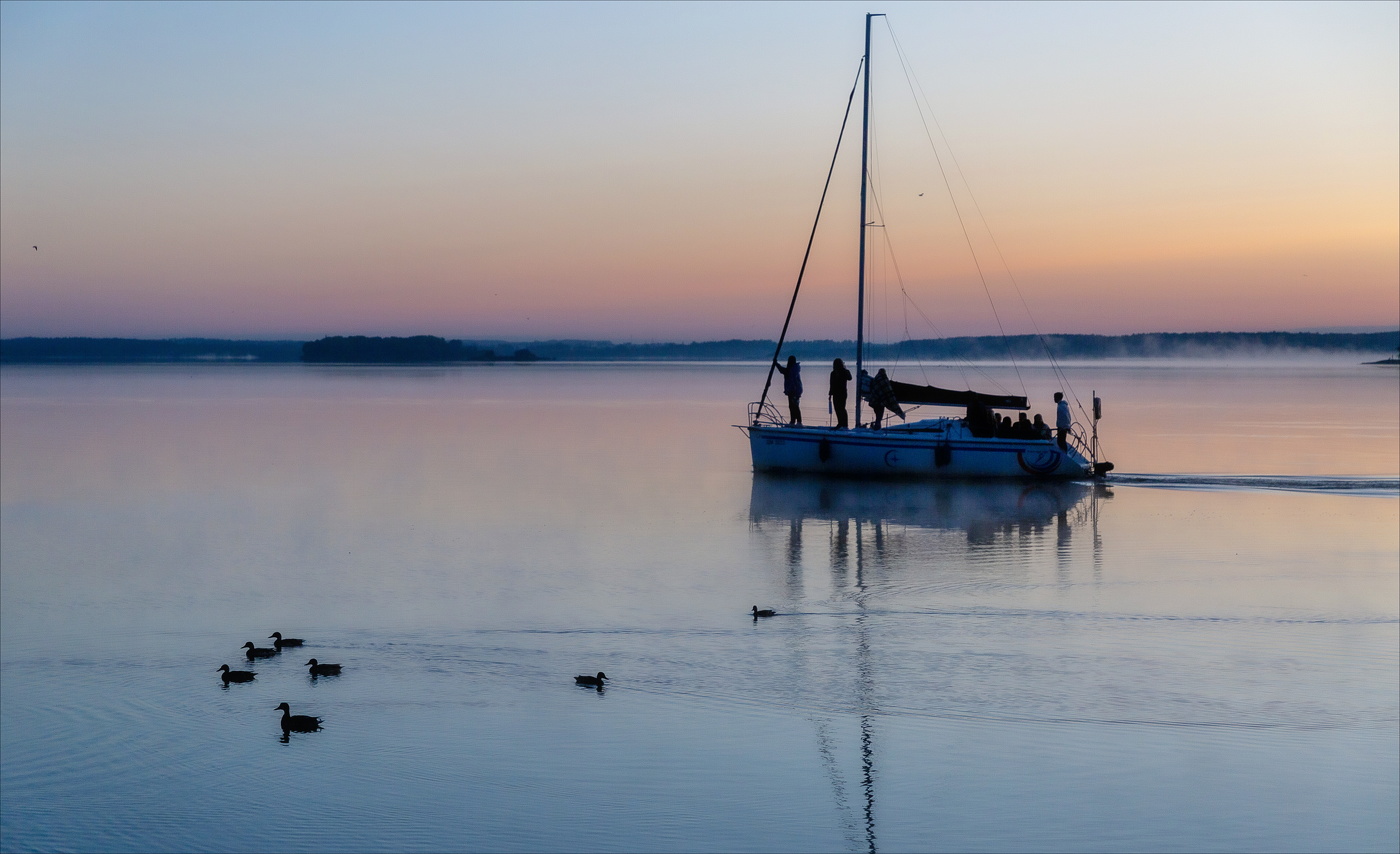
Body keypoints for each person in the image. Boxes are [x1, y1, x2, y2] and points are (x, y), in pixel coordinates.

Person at [774, 356, 803, 425]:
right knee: (793, 406)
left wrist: (776, 364)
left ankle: (798, 422)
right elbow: (784, 371)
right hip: (795, 391)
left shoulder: (792, 370)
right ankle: (793, 421)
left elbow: (783, 371)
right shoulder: (794, 369)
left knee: (794, 406)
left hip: (794, 391)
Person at [829, 358, 852, 429]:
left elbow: (850, 378)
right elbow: (831, 384)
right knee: (839, 409)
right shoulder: (833, 373)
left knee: (841, 408)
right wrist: (830, 394)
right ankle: (841, 423)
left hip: (841, 393)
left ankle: (844, 424)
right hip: (839, 393)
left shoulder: (843, 372)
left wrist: (830, 394)